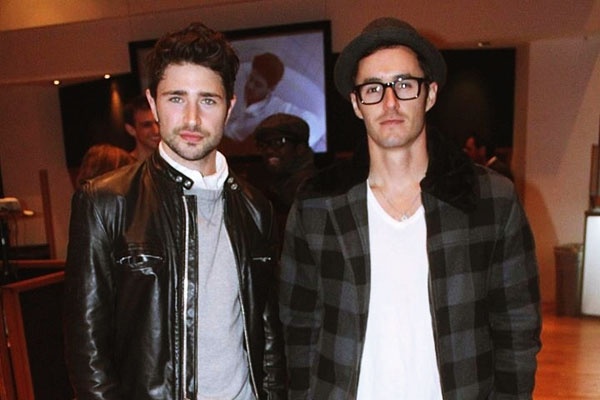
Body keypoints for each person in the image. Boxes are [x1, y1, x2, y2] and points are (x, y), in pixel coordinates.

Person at [278, 17, 541, 399]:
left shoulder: (490, 199)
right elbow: (298, 327)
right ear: (356, 104)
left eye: (404, 84)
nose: (390, 102)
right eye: (373, 88)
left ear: (429, 94)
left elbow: (517, 328)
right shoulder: (317, 205)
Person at [64, 22, 286, 400]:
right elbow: (88, 352)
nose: (192, 119)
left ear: (230, 107)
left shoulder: (255, 208)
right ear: (153, 103)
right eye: (176, 98)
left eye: (208, 100)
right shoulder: (105, 202)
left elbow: (268, 334)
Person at [222, 52, 324, 154]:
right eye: (250, 78)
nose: (250, 86)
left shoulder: (277, 109)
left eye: (258, 84)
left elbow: (315, 124)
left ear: (271, 88)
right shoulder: (239, 86)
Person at [253, 113, 318, 236]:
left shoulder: (311, 188)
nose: (269, 150)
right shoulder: (272, 184)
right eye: (263, 145)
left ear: (300, 148)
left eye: (278, 142)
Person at [123, 94, 160, 160]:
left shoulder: (175, 162)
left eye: (158, 123)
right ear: (131, 130)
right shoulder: (124, 164)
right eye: (147, 125)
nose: (156, 131)